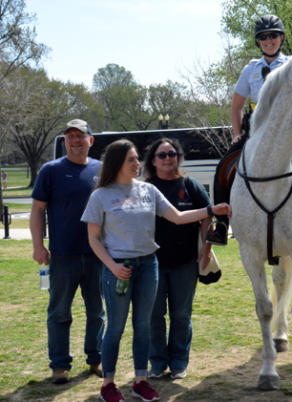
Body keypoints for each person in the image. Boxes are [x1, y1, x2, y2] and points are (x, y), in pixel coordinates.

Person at [81, 139, 230, 402]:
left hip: (149, 265)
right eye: (131, 160)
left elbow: (178, 217)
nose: (137, 164)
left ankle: (141, 381)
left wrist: (211, 210)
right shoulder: (100, 195)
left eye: (138, 158)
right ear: (117, 163)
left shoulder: (148, 190)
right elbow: (93, 239)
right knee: (115, 328)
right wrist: (112, 266)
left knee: (143, 327)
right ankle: (109, 385)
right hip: (119, 267)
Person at [206, 14, 292, 247]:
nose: (268, 40)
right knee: (224, 166)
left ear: (281, 38)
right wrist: (236, 134)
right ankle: (221, 224)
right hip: (258, 131)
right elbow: (237, 107)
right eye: (263, 37)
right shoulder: (250, 70)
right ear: (258, 41)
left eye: (273, 35)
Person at [30, 119, 105, 384]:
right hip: (63, 255)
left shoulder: (103, 170)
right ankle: (60, 365)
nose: (75, 140)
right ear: (65, 141)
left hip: (98, 255)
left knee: (97, 311)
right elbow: (38, 210)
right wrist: (39, 246)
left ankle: (96, 359)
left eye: (80, 135)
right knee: (59, 311)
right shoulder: (50, 170)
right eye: (70, 136)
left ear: (90, 140)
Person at [143, 138, 212, 380]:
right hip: (151, 264)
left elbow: (207, 214)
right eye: (162, 155)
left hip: (185, 263)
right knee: (154, 316)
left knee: (181, 315)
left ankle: (179, 362)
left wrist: (207, 245)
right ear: (153, 161)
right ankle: (158, 363)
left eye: (172, 153)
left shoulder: (190, 185)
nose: (168, 158)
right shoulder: (145, 187)